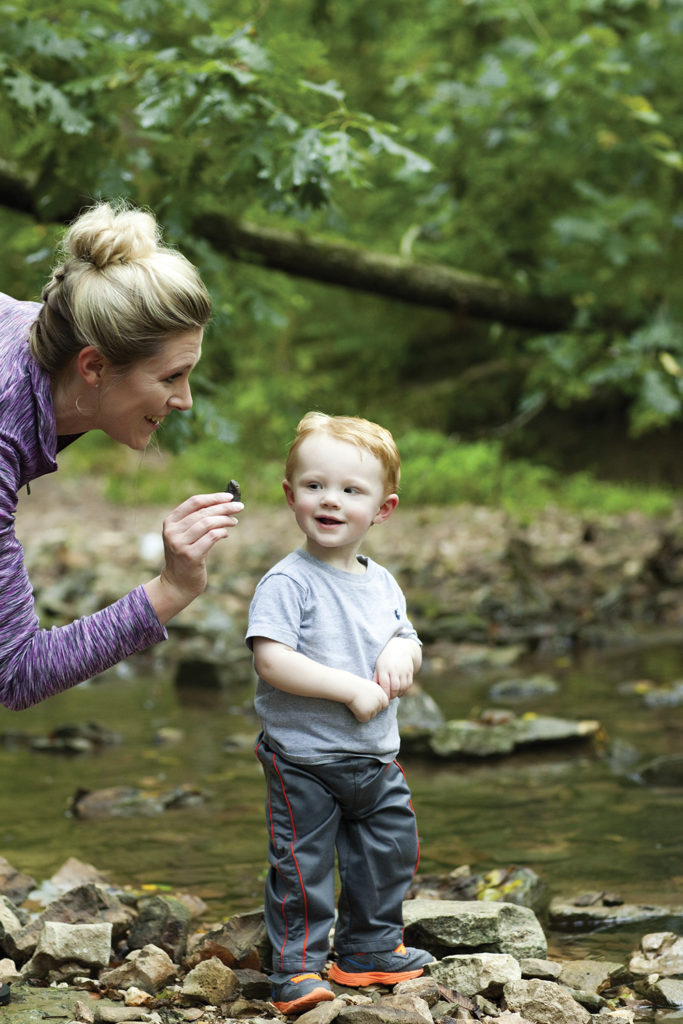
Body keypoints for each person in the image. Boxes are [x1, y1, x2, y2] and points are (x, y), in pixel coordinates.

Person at [0, 201, 243, 712]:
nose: (185, 399)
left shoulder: (48, 335)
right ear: (94, 366)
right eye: (171, 377)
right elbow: (16, 672)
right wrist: (172, 588)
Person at [246, 411, 434, 1016]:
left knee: (388, 848)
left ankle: (368, 950)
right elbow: (272, 661)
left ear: (383, 509)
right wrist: (350, 689)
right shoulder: (287, 582)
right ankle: (296, 970)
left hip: (375, 756)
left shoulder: (382, 583)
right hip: (303, 757)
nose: (331, 501)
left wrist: (405, 651)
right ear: (290, 494)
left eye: (351, 491)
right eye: (315, 486)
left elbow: (405, 634)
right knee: (302, 866)